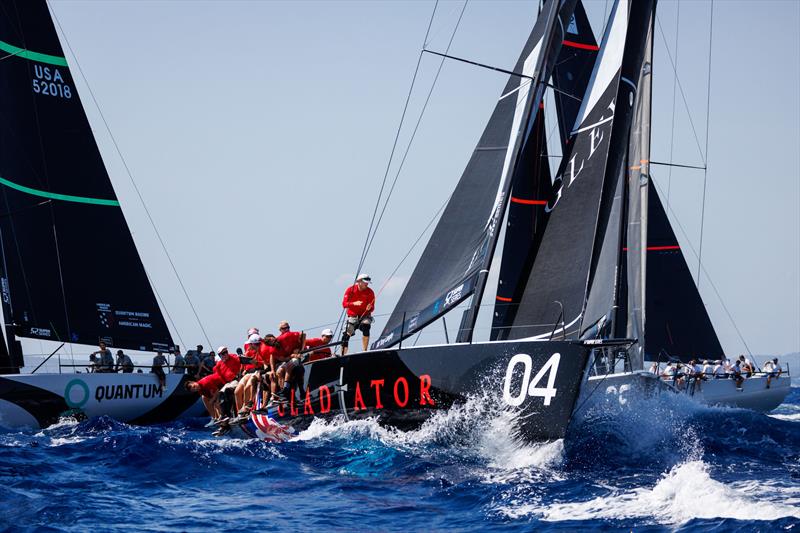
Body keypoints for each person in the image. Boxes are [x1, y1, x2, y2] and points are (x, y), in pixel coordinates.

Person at [185, 346, 242, 423]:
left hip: (223, 383)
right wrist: (212, 399)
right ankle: (215, 418)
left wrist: (212, 399)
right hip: (220, 384)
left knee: (216, 403)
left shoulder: (205, 383)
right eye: (194, 389)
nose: (196, 388)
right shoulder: (200, 388)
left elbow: (217, 391)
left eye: (194, 386)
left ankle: (223, 418)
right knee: (205, 398)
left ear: (194, 382)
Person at [265, 322, 305, 402]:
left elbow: (303, 334)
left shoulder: (286, 336)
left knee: (289, 365)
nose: (287, 329)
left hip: (300, 356)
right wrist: (291, 356)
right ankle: (284, 394)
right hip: (290, 359)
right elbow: (281, 358)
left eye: (288, 327)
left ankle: (287, 389)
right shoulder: (273, 348)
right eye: (284, 328)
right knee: (279, 371)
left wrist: (301, 350)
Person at [341, 273, 375, 355]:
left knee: (366, 326)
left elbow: (373, 308)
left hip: (365, 316)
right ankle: (343, 355)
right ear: (359, 281)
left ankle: (365, 351)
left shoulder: (370, 292)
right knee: (345, 336)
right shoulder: (350, 290)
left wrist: (370, 308)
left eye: (367, 283)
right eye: (365, 282)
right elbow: (344, 304)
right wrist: (354, 303)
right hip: (352, 316)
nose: (366, 284)